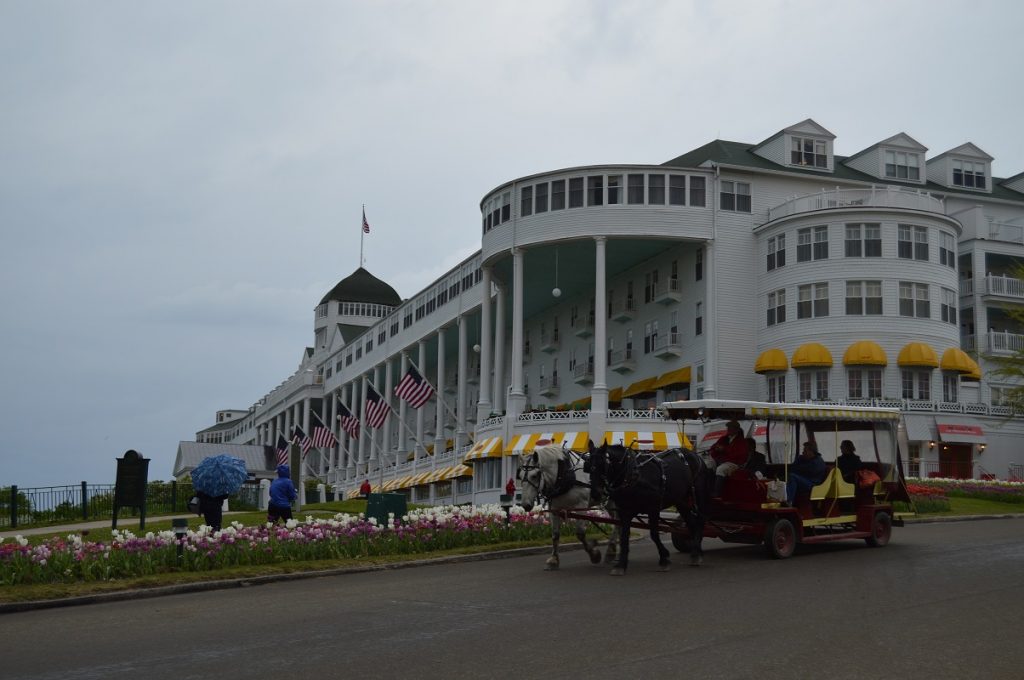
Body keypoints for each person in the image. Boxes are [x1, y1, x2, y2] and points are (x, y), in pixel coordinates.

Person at [710, 420, 747, 497]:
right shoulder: (723, 438)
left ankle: (717, 493)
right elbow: (713, 447)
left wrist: (724, 450)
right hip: (720, 460)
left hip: (734, 463)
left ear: (736, 430)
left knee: (721, 469)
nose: (728, 430)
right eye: (728, 428)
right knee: (707, 465)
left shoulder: (741, 442)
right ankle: (707, 488)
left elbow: (740, 456)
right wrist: (716, 449)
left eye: (730, 428)